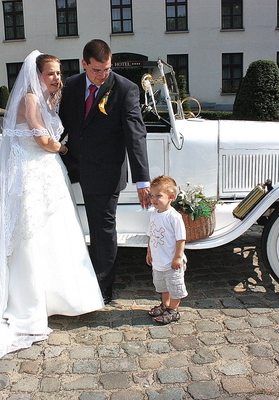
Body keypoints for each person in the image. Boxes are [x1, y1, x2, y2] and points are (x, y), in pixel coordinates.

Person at [0, 50, 104, 364]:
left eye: (58, 73)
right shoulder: (30, 100)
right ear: (36, 75)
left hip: (48, 173)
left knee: (54, 232)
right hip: (34, 172)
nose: (56, 78)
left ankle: (60, 297)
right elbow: (41, 138)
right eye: (50, 73)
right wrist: (64, 147)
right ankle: (30, 303)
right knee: (31, 234)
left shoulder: (46, 100)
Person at [59, 39, 151, 303]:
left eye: (107, 70)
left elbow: (136, 135)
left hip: (105, 171)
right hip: (70, 163)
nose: (102, 76)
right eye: (96, 70)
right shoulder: (72, 85)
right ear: (84, 64)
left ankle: (103, 285)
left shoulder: (125, 89)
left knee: (102, 228)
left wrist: (142, 179)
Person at [146, 175, 187, 324]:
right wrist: (149, 252)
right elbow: (150, 235)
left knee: (175, 286)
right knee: (163, 286)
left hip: (171, 261)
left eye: (158, 196)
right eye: (152, 195)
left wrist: (177, 257)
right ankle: (165, 305)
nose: (154, 199)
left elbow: (180, 239)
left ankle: (173, 311)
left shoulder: (174, 217)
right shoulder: (153, 215)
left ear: (171, 197)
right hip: (158, 260)